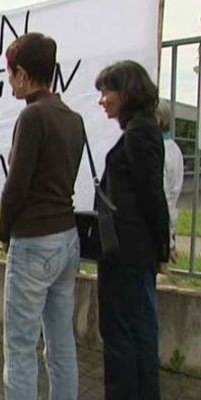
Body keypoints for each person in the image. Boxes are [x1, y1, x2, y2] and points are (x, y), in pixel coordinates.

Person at [0, 33, 84, 400]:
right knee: (61, 339)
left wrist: (4, 231)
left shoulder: (32, 116)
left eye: (9, 72)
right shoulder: (73, 117)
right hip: (67, 237)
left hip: (34, 240)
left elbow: (17, 185)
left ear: (21, 73)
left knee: (20, 346)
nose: (9, 80)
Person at [95, 60, 169, 400]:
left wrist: (160, 252)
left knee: (124, 337)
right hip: (128, 253)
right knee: (134, 335)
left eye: (107, 91)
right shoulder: (139, 130)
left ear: (126, 91)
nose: (102, 100)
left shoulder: (140, 132)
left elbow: (152, 194)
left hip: (128, 254)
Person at [156, 99, 184, 266]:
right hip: (167, 224)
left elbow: (162, 197)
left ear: (158, 118)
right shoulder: (174, 149)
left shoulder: (159, 150)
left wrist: (168, 241)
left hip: (157, 231)